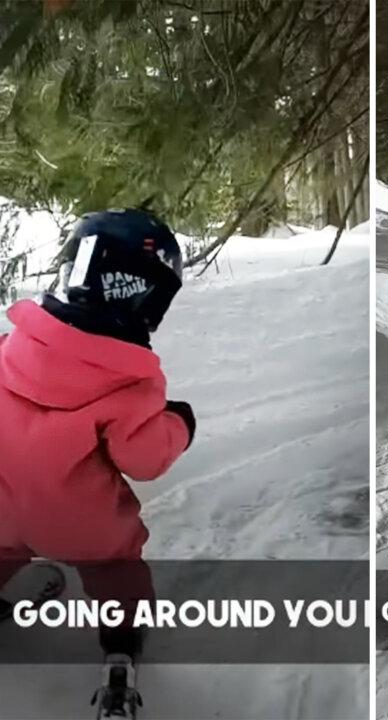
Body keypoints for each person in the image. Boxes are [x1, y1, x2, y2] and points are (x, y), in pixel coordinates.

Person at [0, 209, 195, 707]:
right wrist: (178, 424)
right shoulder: (130, 381)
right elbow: (145, 458)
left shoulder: (10, 347)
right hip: (82, 525)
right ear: (143, 296)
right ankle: (121, 645)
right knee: (115, 568)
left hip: (3, 508)